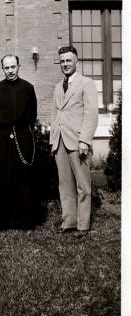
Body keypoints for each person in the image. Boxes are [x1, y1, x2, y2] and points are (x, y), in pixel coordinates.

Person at [50, 46, 98, 238]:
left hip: (78, 141)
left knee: (83, 185)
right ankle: (69, 221)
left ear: (76, 62)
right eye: (62, 61)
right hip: (60, 141)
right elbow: (55, 114)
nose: (65, 64)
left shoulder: (87, 83)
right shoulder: (57, 86)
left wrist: (85, 140)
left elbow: (91, 114)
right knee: (65, 184)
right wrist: (53, 139)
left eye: (68, 61)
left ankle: (83, 225)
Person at [0, 54, 39, 230]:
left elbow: (33, 115)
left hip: (23, 135)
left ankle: (24, 220)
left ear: (19, 66)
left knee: (22, 177)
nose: (10, 71)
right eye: (6, 68)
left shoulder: (28, 88)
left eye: (13, 67)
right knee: (1, 177)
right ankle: (2, 220)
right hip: (1, 137)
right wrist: (3, 130)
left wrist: (22, 130)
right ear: (3, 69)